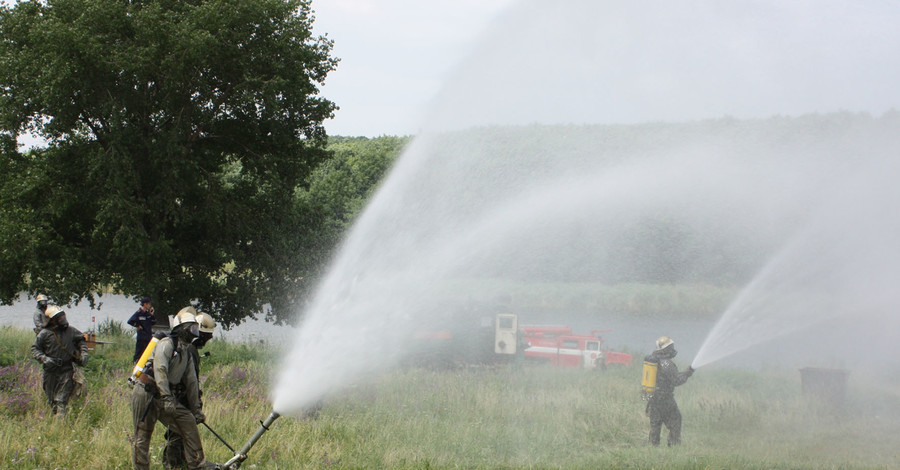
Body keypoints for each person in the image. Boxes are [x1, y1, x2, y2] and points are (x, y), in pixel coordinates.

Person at [131, 308, 217, 470]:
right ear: (181, 329)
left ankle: (197, 465)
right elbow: (160, 371)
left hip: (164, 397)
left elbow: (192, 382)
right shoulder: (166, 345)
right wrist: (167, 398)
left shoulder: (186, 352)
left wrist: (196, 409)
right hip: (146, 392)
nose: (193, 332)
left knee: (188, 422)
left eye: (194, 328)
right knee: (143, 436)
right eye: (190, 328)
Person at [163, 310, 217, 470]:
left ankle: (178, 463)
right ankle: (173, 465)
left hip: (180, 398)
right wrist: (195, 407)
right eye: (207, 336)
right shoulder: (190, 351)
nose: (209, 339)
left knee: (179, 433)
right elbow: (189, 383)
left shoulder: (188, 348)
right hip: (182, 400)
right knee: (178, 434)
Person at [31, 305, 89, 417]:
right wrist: (44, 358)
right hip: (50, 371)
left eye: (63, 316)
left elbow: (81, 340)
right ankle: (55, 425)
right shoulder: (44, 334)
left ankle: (61, 425)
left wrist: (84, 353)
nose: (62, 319)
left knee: (61, 401)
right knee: (51, 401)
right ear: (52, 320)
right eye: (59, 317)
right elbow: (35, 348)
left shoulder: (71, 331)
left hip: (66, 371)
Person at [646, 336, 694, 446]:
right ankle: (673, 446)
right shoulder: (667, 363)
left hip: (653, 398)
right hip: (665, 399)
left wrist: (685, 372)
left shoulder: (655, 361)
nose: (673, 349)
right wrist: (688, 373)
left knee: (655, 425)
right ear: (667, 349)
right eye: (671, 347)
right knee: (676, 420)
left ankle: (652, 448)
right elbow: (676, 380)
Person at [128, 297, 157, 363]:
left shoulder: (148, 314)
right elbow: (130, 321)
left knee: (148, 352)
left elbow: (154, 322)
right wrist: (137, 325)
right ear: (145, 304)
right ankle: (135, 363)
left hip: (148, 336)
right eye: (149, 304)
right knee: (139, 352)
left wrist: (152, 314)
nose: (150, 305)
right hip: (141, 336)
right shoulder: (139, 313)